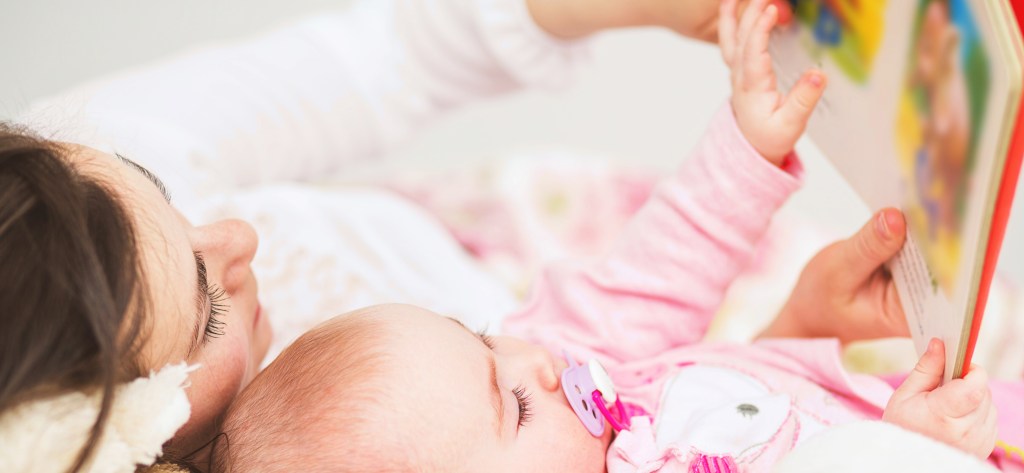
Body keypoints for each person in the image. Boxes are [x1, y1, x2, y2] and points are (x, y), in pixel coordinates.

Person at [0, 0, 816, 471]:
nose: (240, 235)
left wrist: (788, 341)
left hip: (562, 262)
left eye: (167, 194)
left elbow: (395, 54)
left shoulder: (71, 176)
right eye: (206, 311)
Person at [212, 2, 1011, 472]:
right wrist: (902, 455)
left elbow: (657, 270)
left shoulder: (562, 368)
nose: (539, 361)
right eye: (513, 403)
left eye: (482, 339)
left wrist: (748, 139)